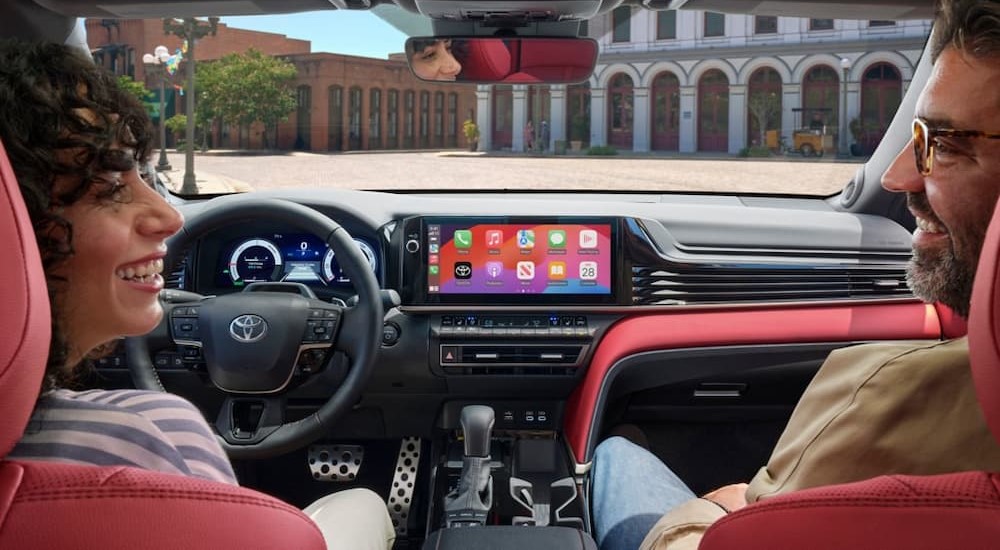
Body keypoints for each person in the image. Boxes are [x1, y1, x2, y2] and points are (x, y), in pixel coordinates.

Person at [590, 2, 1000, 549]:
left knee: (616, 456)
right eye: (918, 135)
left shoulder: (896, 389)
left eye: (943, 145)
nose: (900, 176)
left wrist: (713, 510)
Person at [0, 39, 395, 550]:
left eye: (146, 175)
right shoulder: (150, 430)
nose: (169, 218)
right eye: (110, 183)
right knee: (360, 504)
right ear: (15, 226)